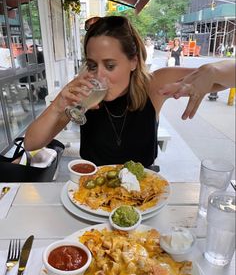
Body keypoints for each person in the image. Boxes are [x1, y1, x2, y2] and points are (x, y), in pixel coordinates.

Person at [24, 16, 235, 167]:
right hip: (92, 192)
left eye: (110, 66)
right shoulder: (83, 91)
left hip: (143, 193)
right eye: (92, 65)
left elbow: (227, 77)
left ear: (133, 61)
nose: (98, 76)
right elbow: (31, 143)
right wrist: (59, 105)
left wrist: (212, 71)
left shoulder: (154, 85)